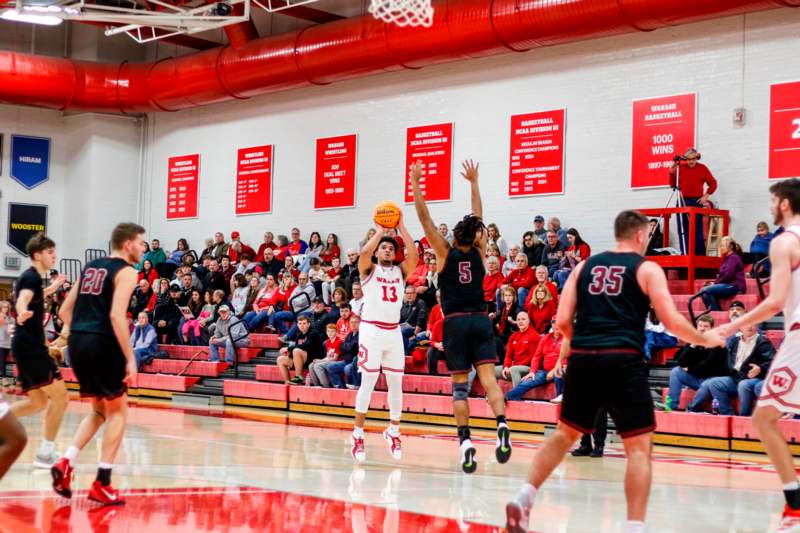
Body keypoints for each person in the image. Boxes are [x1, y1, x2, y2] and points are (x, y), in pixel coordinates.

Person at [505, 210, 724, 533]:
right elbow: (673, 322)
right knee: (638, 447)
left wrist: (577, 348)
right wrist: (706, 337)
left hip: (583, 357)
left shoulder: (583, 267)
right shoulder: (647, 268)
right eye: (648, 236)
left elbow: (563, 323)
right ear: (639, 235)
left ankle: (524, 499)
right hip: (623, 358)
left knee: (565, 434)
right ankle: (634, 526)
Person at [709, 179, 800, 529]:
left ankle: (794, 503)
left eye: (773, 200)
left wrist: (730, 327)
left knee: (764, 419)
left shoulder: (784, 243)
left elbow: (775, 302)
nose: (770, 206)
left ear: (786, 204)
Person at [413, 158, 512, 474]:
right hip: (481, 320)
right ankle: (500, 425)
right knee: (488, 380)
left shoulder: (444, 252)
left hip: (455, 324)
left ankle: (466, 443)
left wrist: (416, 184)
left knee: (459, 387)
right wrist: (474, 183)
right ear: (477, 235)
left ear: (455, 235)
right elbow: (479, 217)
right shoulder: (481, 250)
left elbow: (425, 217)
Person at [52, 222, 146, 505]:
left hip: (78, 343)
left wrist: (83, 331)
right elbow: (118, 316)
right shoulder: (128, 271)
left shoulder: (90, 266)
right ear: (128, 244)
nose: (143, 248)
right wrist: (131, 358)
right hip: (103, 342)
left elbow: (63, 310)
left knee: (99, 410)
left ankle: (65, 461)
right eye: (141, 243)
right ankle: (102, 483)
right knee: (119, 412)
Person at [349, 211, 418, 463]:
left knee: (396, 383)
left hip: (393, 331)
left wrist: (402, 228)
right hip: (371, 330)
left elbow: (415, 255)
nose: (387, 250)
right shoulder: (368, 269)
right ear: (378, 252)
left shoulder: (400, 271)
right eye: (383, 248)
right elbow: (364, 253)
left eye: (391, 248)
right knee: (368, 381)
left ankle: (393, 431)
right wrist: (380, 229)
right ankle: (357, 434)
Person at [8, 234, 69, 470]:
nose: (54, 256)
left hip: (28, 346)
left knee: (38, 401)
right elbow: (24, 299)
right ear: (37, 255)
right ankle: (45, 454)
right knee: (61, 397)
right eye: (49, 252)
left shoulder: (34, 279)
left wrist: (52, 288)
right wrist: (21, 311)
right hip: (29, 349)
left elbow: (33, 298)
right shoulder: (30, 278)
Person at [688, 322, 774, 415]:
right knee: (714, 383)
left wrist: (760, 368)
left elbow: (771, 362)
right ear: (740, 327)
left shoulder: (763, 342)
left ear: (756, 326)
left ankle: (744, 417)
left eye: (752, 324)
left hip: (753, 378)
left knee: (743, 384)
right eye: (746, 324)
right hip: (735, 377)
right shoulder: (734, 341)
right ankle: (727, 414)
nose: (749, 326)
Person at [665, 314, 727, 409]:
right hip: (697, 378)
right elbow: (681, 362)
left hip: (711, 379)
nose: (702, 329)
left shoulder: (717, 343)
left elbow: (708, 366)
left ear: (711, 329)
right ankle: (671, 406)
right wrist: (693, 345)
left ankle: (691, 408)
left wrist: (689, 369)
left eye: (706, 326)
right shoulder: (693, 340)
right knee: (676, 371)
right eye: (700, 326)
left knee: (708, 383)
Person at [668, 148, 718, 256]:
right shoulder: (680, 168)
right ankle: (685, 253)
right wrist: (671, 173)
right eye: (689, 159)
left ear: (697, 158)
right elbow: (672, 185)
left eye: (693, 159)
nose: (691, 161)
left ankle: (699, 255)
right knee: (683, 228)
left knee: (697, 229)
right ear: (685, 159)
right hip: (682, 199)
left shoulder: (702, 168)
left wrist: (706, 195)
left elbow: (713, 183)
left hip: (696, 201)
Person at [505, 321, 565, 401]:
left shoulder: (566, 339)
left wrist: (554, 370)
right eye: (554, 323)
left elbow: (567, 358)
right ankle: (509, 396)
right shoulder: (545, 338)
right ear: (551, 325)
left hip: (559, 369)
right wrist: (532, 371)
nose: (556, 325)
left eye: (559, 322)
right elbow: (536, 357)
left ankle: (561, 398)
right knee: (527, 380)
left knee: (559, 374)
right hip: (545, 371)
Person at [699, 236, 746, 311]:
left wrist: (715, 284)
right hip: (727, 284)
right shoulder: (726, 259)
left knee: (705, 290)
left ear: (730, 247)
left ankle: (715, 312)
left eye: (722, 246)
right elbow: (722, 275)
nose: (721, 248)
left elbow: (728, 275)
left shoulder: (734, 257)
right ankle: (716, 313)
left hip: (734, 286)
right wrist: (713, 283)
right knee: (704, 292)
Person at [496, 312, 539, 387]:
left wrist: (514, 366)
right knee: (492, 370)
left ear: (528, 321)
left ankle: (515, 395)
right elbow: (508, 355)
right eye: (518, 319)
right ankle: (492, 394)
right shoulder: (513, 336)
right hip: (513, 366)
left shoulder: (534, 336)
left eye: (523, 319)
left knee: (514, 370)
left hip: (527, 367)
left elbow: (532, 357)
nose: (520, 321)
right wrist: (506, 366)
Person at [276, 315, 323, 384]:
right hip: (302, 360)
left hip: (313, 359)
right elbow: (297, 346)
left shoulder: (313, 333)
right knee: (280, 359)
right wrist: (289, 352)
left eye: (304, 323)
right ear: (297, 325)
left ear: (308, 324)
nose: (302, 325)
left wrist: (288, 348)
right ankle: (288, 382)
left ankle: (298, 377)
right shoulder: (299, 335)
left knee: (296, 350)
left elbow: (306, 346)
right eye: (300, 323)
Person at [327, 315, 360, 388]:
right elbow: (342, 346)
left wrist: (347, 346)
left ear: (360, 324)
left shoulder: (361, 334)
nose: (353, 324)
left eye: (355, 322)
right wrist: (348, 346)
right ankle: (339, 386)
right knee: (330, 367)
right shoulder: (350, 334)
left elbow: (354, 347)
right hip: (346, 360)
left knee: (347, 369)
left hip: (355, 362)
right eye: (351, 322)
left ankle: (355, 385)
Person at [0, 301, 13, 392]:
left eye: (7, 307)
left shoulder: (11, 319)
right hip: (0, 342)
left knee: (4, 361)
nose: (6, 309)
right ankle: (4, 379)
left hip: (8, 343)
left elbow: (11, 331)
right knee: (2, 362)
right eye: (4, 307)